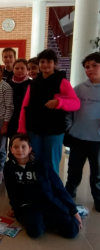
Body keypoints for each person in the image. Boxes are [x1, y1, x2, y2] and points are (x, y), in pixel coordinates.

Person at [4, 133, 81, 239]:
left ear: (30, 149)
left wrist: (73, 210)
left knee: (72, 231)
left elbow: (58, 187)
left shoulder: (41, 164)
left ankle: (47, 219)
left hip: (48, 202)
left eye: (23, 147)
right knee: (35, 232)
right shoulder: (9, 167)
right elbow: (11, 190)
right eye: (16, 147)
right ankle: (42, 220)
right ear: (11, 149)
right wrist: (15, 208)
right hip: (28, 206)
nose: (19, 150)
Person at [18, 49, 80, 174]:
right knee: (35, 161)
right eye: (42, 62)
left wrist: (59, 103)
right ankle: (40, 189)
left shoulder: (62, 82)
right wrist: (22, 129)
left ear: (55, 63)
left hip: (54, 130)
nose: (45, 65)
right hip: (34, 130)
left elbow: (76, 103)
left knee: (51, 163)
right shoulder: (34, 83)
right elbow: (25, 106)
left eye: (49, 61)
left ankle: (52, 190)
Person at [65, 52, 100, 212]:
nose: (90, 69)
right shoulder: (78, 89)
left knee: (97, 173)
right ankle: (69, 192)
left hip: (97, 140)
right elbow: (68, 112)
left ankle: (98, 198)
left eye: (94, 65)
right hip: (78, 137)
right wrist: (70, 128)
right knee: (74, 169)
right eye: (87, 66)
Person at [7, 59, 31, 139]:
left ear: (27, 69)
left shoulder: (31, 84)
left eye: (22, 68)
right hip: (11, 118)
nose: (19, 70)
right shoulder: (8, 84)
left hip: (26, 118)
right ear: (13, 69)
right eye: (17, 68)